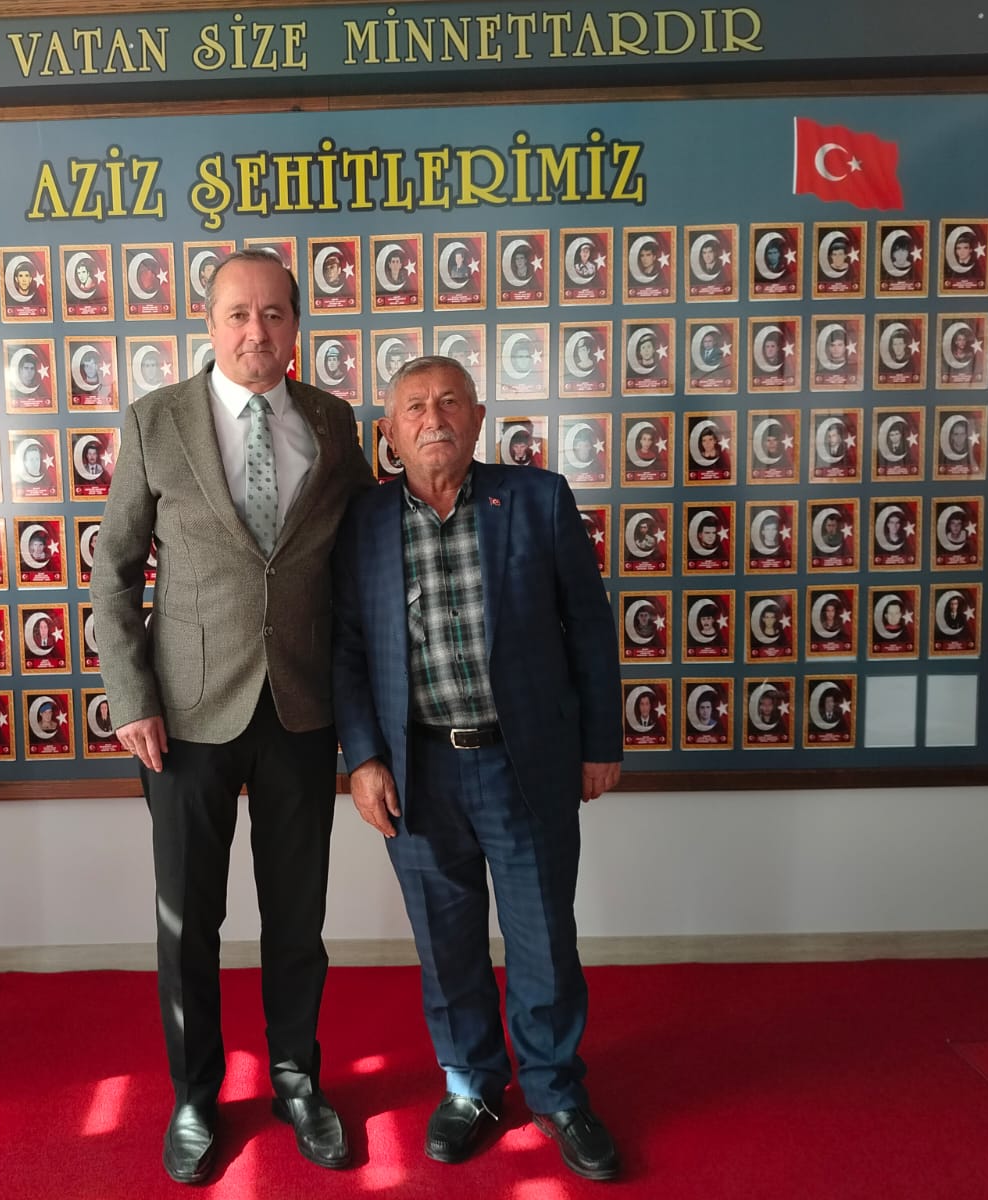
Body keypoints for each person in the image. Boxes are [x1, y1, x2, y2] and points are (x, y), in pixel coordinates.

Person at [88, 249, 371, 1184]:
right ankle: (195, 1095)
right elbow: (113, 574)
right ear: (209, 324)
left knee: (298, 917)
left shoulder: (332, 422)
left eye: (275, 313)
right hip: (184, 718)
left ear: (297, 325)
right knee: (188, 921)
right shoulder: (155, 419)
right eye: (239, 314)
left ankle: (297, 1079)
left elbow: (356, 557)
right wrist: (131, 699)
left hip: (300, 707)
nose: (258, 331)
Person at [331, 355, 623, 1181]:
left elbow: (589, 628)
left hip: (523, 763)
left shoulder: (537, 499)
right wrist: (363, 759)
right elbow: (346, 650)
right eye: (415, 408)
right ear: (388, 433)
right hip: (418, 771)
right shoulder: (362, 521)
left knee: (542, 938)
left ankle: (558, 1091)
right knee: (446, 944)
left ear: (480, 417)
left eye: (450, 402)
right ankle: (471, 1086)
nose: (435, 419)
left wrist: (601, 742)